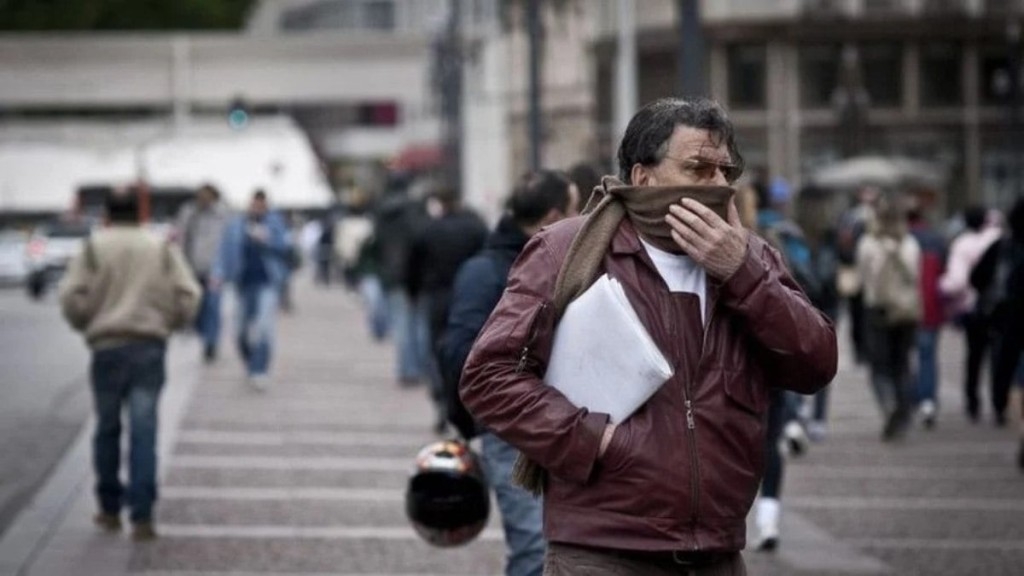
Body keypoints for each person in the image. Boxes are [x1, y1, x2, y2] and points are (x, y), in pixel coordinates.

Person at [460, 97, 837, 574]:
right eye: (699, 168)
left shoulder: (752, 257)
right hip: (603, 550)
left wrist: (742, 273)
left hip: (717, 552)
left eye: (726, 170)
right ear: (643, 177)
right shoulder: (566, 250)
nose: (719, 184)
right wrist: (596, 441)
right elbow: (488, 377)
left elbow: (816, 363)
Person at [439, 170, 578, 576]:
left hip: (566, 425)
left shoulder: (561, 262)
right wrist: (473, 422)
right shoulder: (486, 272)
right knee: (534, 550)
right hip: (512, 429)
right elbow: (458, 355)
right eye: (574, 210)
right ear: (554, 216)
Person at [59, 187, 200, 541]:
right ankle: (142, 514)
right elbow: (189, 294)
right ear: (139, 213)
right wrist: (170, 323)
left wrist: (86, 323)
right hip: (149, 345)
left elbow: (70, 295)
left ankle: (109, 509)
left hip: (106, 346)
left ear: (106, 214)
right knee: (145, 430)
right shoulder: (159, 247)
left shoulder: (94, 247)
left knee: (107, 427)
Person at [407, 188, 488, 433]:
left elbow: (413, 265)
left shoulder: (429, 230)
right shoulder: (476, 228)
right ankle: (464, 400)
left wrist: (413, 292)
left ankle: (442, 398)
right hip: (469, 296)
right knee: (468, 350)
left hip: (437, 297)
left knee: (436, 351)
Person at [212, 189, 293, 390]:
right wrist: (219, 273)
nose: (257, 208)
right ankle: (250, 362)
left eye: (261, 205)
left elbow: (286, 248)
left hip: (267, 282)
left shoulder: (275, 223)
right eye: (255, 204)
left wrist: (267, 239)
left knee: (264, 329)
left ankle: (260, 369)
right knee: (239, 331)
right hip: (242, 283)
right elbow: (224, 250)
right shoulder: (237, 224)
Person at [856, 195, 922, 440]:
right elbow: (915, 277)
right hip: (906, 312)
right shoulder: (911, 244)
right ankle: (903, 414)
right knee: (902, 365)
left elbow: (862, 279)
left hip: (878, 310)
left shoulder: (867, 244)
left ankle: (889, 406)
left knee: (879, 368)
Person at [939, 205, 1002, 422]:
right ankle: (998, 403)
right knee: (998, 357)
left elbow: (956, 281)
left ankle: (973, 401)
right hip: (1000, 308)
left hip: (972, 308)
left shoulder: (962, 244)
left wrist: (942, 288)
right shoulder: (997, 239)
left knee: (974, 356)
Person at [972, 199, 1024, 428]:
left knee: (1003, 361)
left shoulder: (1003, 247)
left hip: (1007, 317)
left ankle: (1001, 404)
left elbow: (976, 278)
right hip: (1008, 316)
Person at [175, 183, 229, 362]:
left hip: (215, 269)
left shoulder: (222, 214)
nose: (203, 199)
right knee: (195, 306)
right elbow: (180, 237)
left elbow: (228, 241)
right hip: (191, 267)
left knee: (212, 306)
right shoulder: (188, 212)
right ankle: (201, 332)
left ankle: (211, 343)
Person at [908, 205, 946, 428]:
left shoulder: (902, 240)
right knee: (928, 356)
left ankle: (912, 397)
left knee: (906, 356)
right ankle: (928, 400)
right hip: (932, 307)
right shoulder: (937, 240)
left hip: (905, 307)